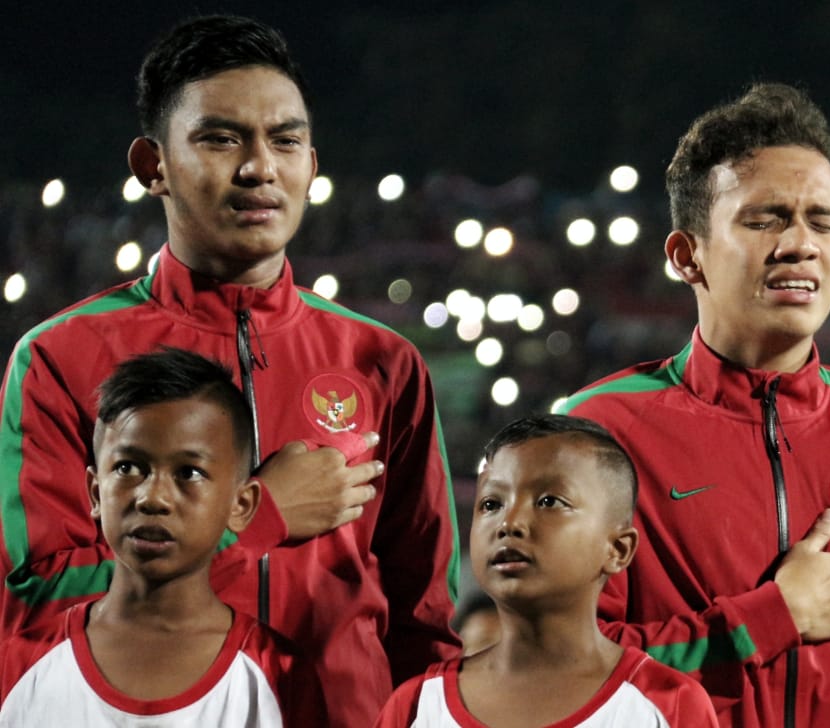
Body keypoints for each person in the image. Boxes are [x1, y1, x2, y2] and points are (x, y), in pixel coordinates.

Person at [0, 15, 459, 727]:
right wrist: (260, 518)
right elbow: (37, 598)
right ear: (153, 165)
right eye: (220, 138)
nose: (259, 167)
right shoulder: (60, 358)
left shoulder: (383, 362)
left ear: (312, 163)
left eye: (285, 140)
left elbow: (427, 617)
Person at [556, 83, 830, 726]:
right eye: (765, 219)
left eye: (822, 222)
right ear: (688, 256)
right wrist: (770, 619)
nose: (800, 244)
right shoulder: (597, 432)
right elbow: (562, 668)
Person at [0, 348, 324, 726]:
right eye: (128, 467)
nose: (152, 497)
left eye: (188, 473)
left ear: (242, 504)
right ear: (94, 492)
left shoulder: (278, 675)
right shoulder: (19, 667)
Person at [375, 415, 718, 727]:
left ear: (618, 549)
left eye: (549, 501)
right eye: (492, 504)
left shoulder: (667, 705)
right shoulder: (416, 706)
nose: (509, 523)